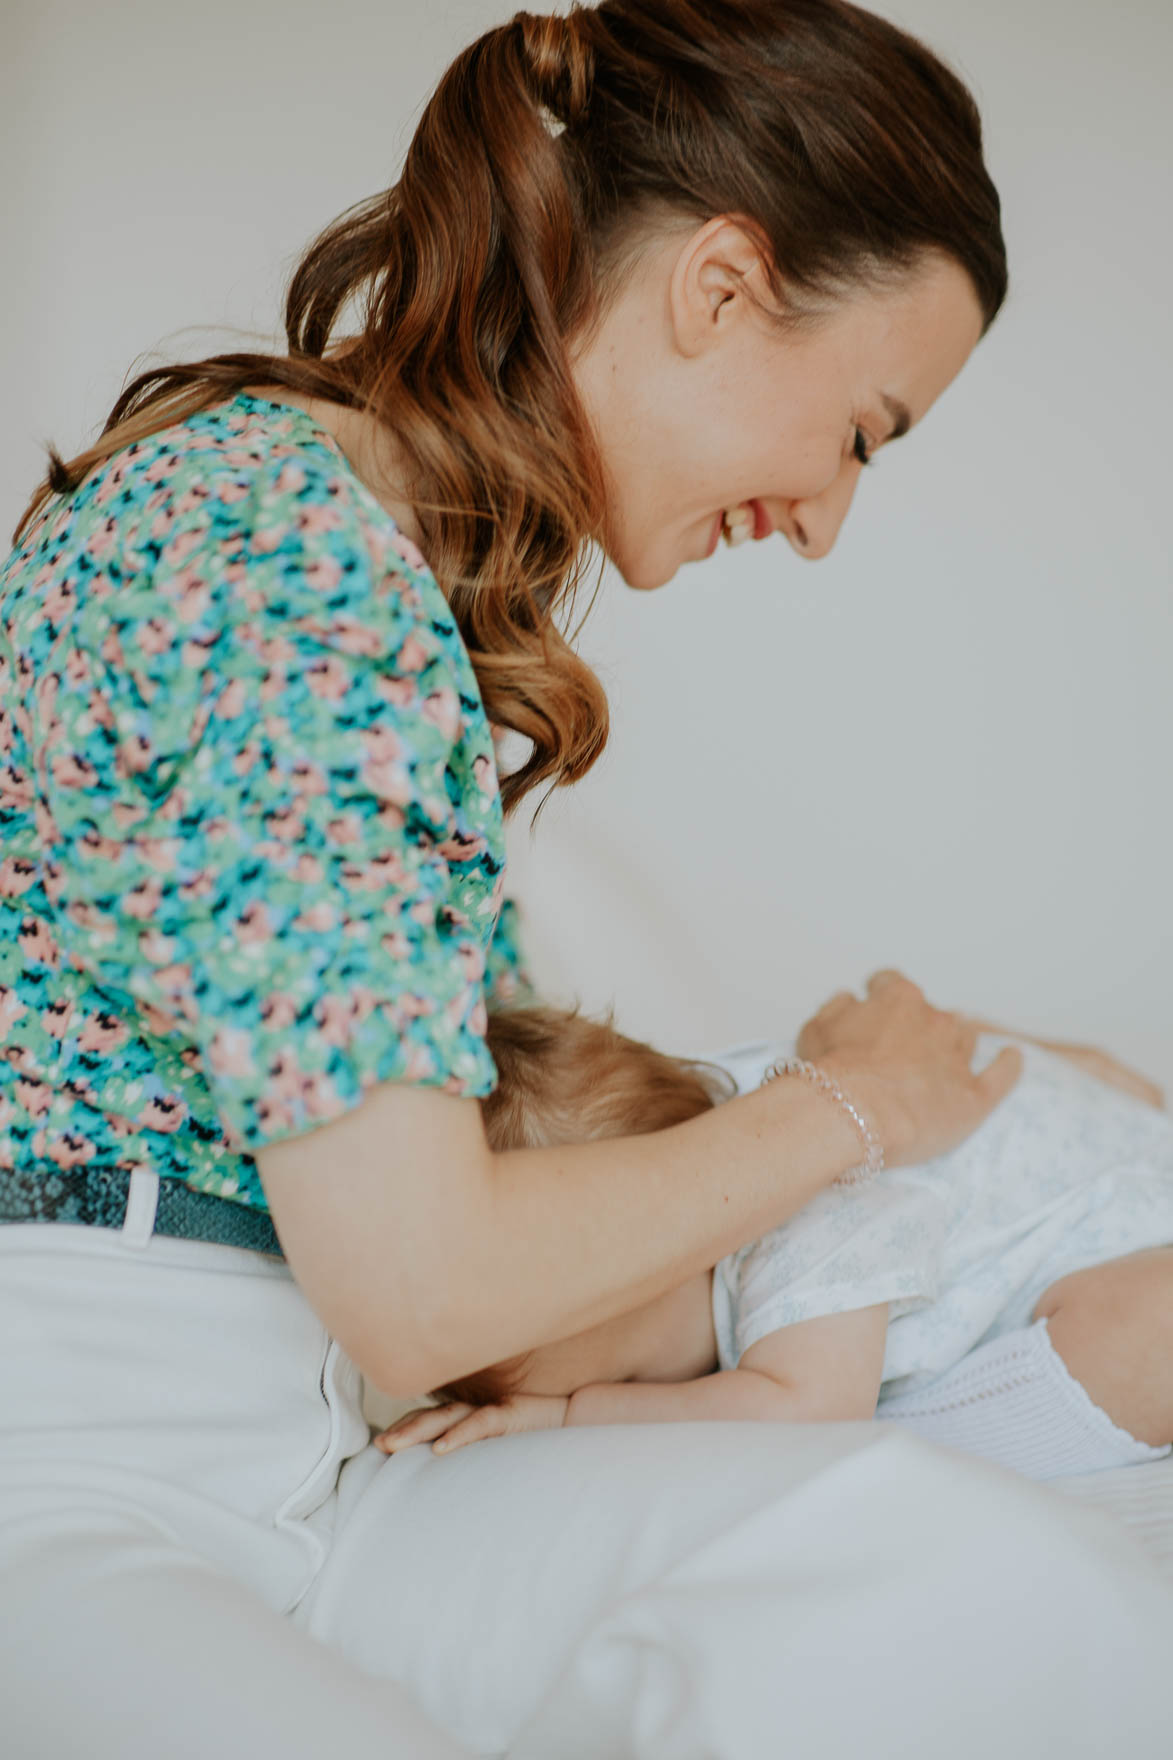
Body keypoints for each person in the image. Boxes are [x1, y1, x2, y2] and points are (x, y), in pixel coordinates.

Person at [2, 3, 1171, 1757]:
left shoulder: (357, 556)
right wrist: (842, 1115)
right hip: (87, 1444)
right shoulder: (282, 560)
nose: (828, 515)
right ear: (716, 284)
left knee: (978, 1587)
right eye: (860, 428)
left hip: (323, 1432)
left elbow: (447, 1171)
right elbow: (417, 1281)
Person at [376, 1005, 1173, 1481]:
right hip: (1081, 1128)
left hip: (1122, 1218)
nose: (683, 1386)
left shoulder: (801, 1224)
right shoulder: (750, 1103)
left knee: (1137, 1335)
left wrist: (569, 1417)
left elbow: (808, 1415)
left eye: (644, 1371)